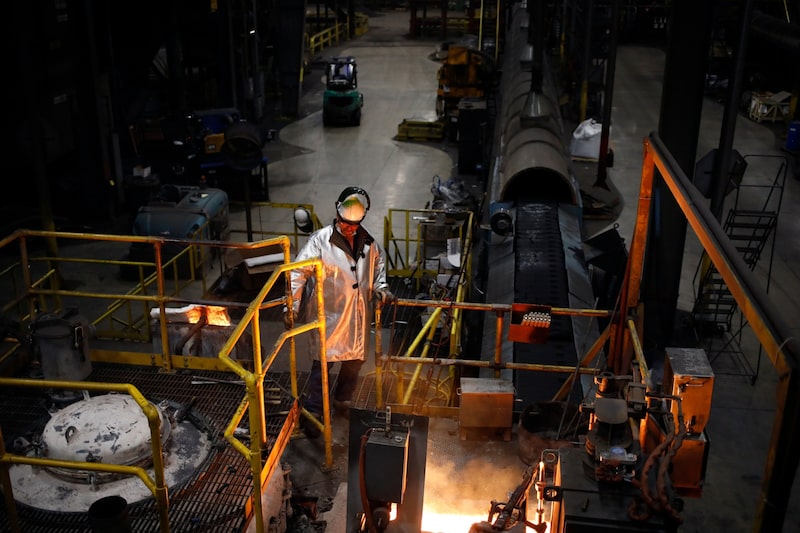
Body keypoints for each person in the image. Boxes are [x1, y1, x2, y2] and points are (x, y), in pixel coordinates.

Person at [284, 186, 394, 437]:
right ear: (337, 216)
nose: (350, 229)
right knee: (322, 366)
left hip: (357, 316)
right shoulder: (319, 241)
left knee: (355, 361)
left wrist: (382, 288)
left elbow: (378, 270)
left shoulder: (369, 243)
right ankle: (313, 412)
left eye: (355, 225)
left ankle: (342, 400)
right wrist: (292, 305)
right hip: (328, 317)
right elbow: (297, 273)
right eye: (346, 224)